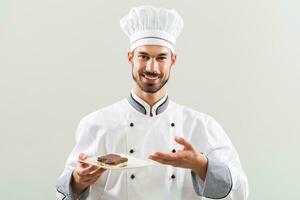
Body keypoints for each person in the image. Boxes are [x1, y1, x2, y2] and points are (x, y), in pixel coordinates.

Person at [56, 5, 249, 200]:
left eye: (161, 58)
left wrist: (202, 166)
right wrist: (78, 180)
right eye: (144, 56)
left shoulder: (200, 125)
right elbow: (62, 192)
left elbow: (240, 190)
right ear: (130, 57)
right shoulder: (96, 123)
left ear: (173, 60)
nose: (151, 67)